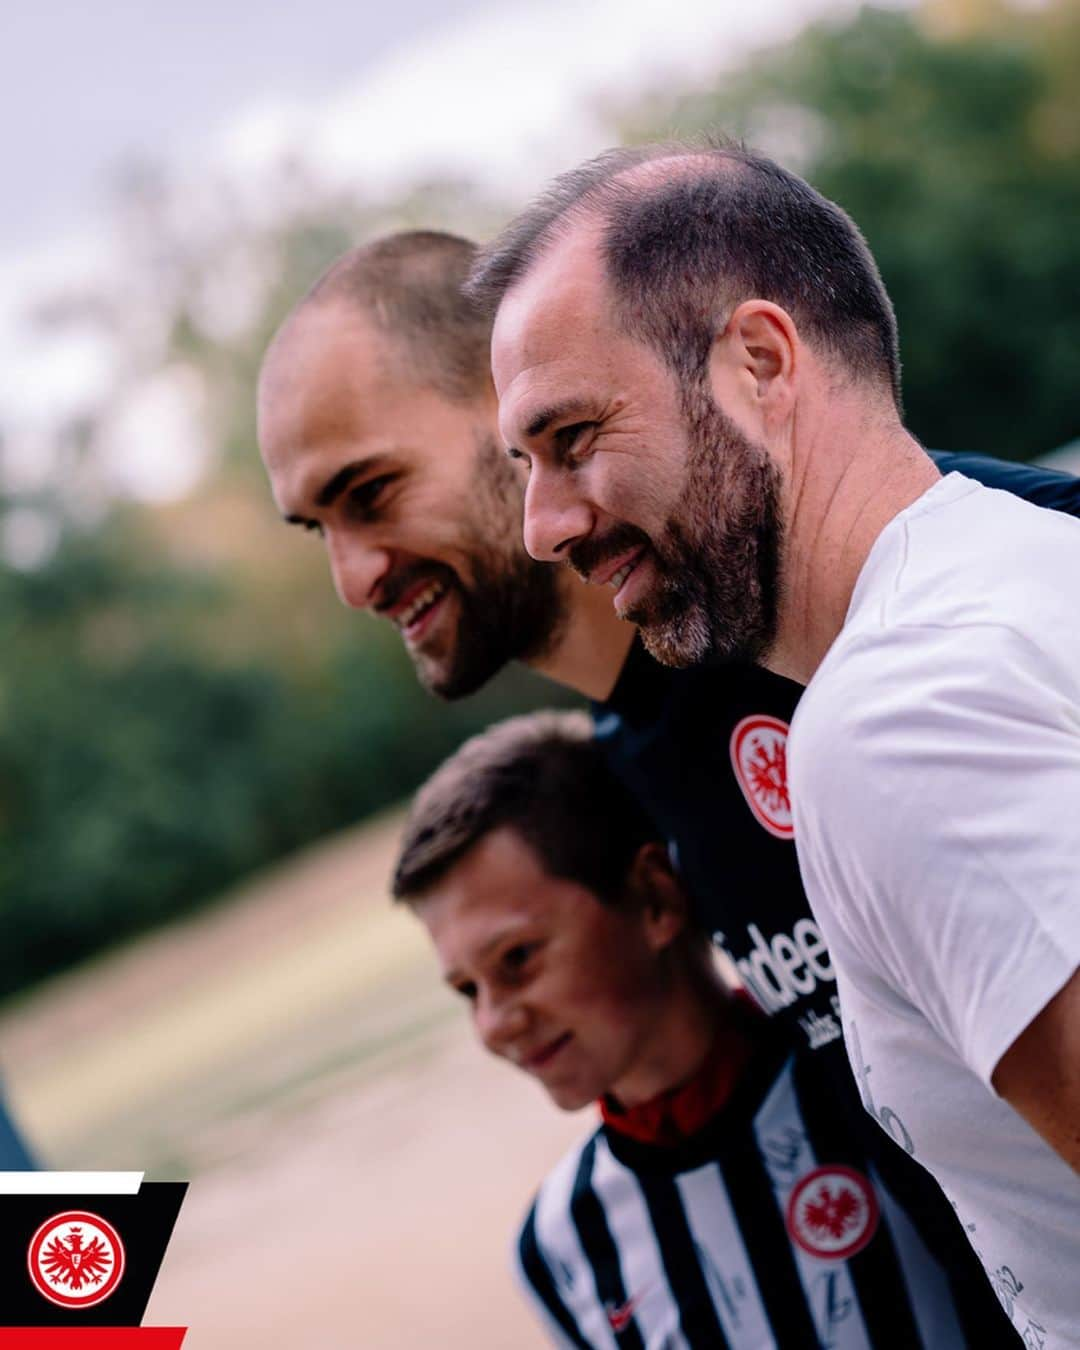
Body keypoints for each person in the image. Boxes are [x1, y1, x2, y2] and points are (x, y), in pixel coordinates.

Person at [258, 230, 1080, 1345]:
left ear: (508, 412)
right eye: (319, 528)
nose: (353, 578)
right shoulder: (630, 767)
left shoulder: (881, 613)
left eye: (372, 493)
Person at [393, 710, 975, 1349]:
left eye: (518, 959)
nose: (494, 1023)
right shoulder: (561, 1248)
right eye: (466, 990)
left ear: (655, 901)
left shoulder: (870, 1086)